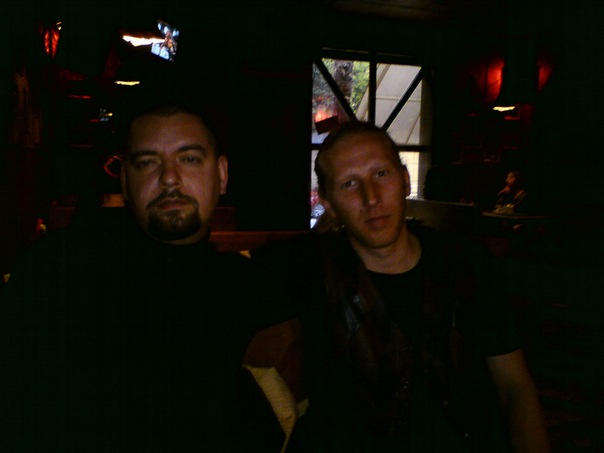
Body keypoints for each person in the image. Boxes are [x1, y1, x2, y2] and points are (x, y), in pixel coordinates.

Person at [0, 104, 291, 452]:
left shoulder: (249, 289)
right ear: (125, 181)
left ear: (222, 174)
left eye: (190, 159)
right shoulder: (60, 271)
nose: (169, 178)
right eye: (147, 162)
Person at [252, 121, 550, 453]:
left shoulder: (465, 263)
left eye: (381, 174)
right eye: (349, 184)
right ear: (329, 203)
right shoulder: (302, 270)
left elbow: (515, 388)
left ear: (405, 180)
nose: (371, 198)